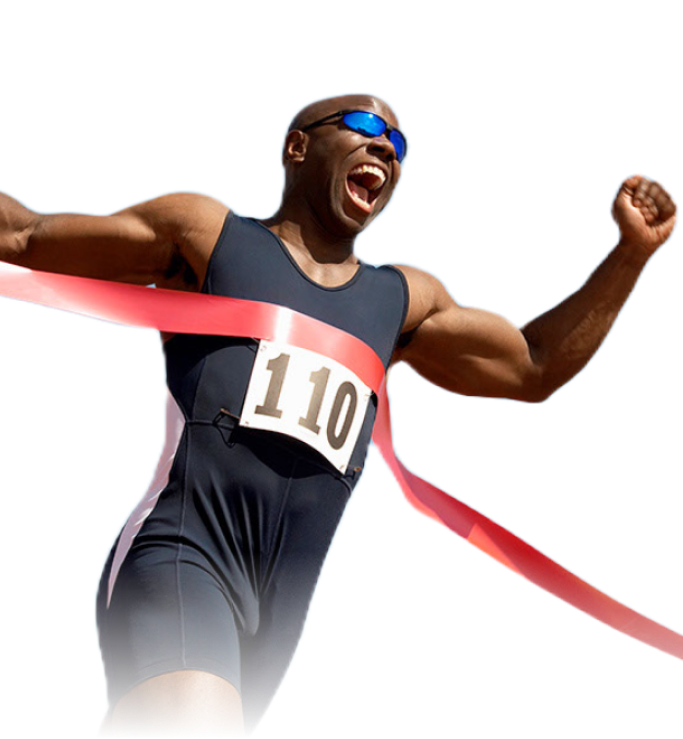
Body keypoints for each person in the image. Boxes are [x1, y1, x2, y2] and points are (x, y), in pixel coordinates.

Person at [0, 93, 677, 737]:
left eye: (400, 145)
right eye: (366, 127)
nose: (386, 149)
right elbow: (26, 236)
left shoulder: (402, 300)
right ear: (297, 147)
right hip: (183, 558)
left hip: (277, 616)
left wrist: (630, 254)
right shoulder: (208, 235)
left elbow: (533, 366)